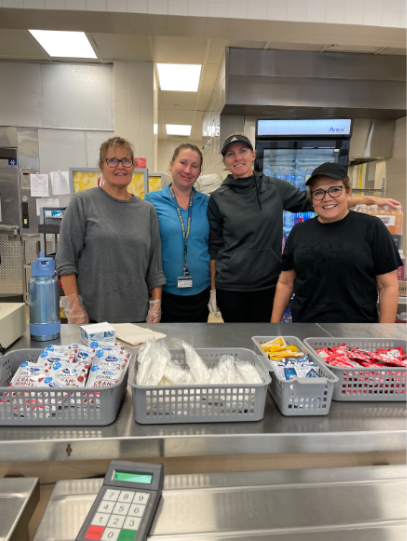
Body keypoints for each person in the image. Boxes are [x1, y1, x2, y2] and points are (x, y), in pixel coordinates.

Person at [207, 133, 402, 323]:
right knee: (235, 339)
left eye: (242, 150)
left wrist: (369, 200)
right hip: (230, 285)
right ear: (224, 161)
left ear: (253, 155)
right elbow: (215, 246)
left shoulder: (273, 187)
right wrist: (214, 290)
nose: (238, 157)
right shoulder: (218, 197)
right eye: (230, 154)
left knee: (263, 341)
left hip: (267, 284)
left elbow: (316, 201)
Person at [271, 162, 401, 323]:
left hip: (357, 332)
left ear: (348, 193)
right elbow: (285, 283)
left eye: (334, 190)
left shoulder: (372, 228)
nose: (327, 198)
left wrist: (385, 334)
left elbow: (387, 286)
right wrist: (273, 327)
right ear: (312, 199)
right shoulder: (299, 232)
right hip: (305, 330)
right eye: (318, 193)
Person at [57, 136, 166, 324]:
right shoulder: (83, 203)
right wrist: (74, 308)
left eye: (126, 161)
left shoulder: (147, 211)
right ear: (101, 165)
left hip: (137, 318)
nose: (120, 166)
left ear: (133, 166)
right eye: (112, 160)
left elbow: (155, 268)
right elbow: (66, 260)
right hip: (92, 318)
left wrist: (155, 307)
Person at [145, 143, 211, 322]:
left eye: (194, 166)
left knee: (196, 348)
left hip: (201, 294)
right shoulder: (151, 201)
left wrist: (214, 291)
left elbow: (215, 246)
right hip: (165, 295)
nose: (188, 170)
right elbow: (145, 249)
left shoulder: (208, 203)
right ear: (171, 164)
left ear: (199, 171)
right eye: (183, 163)